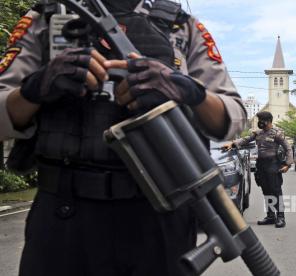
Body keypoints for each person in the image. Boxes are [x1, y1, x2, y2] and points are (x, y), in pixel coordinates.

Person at [0, 0, 246, 275]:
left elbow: (233, 118)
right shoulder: (46, 18)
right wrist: (36, 88)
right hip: (64, 214)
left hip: (159, 216)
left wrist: (188, 91)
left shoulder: (182, 26)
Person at [223, 111, 293, 228]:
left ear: (269, 121)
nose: (259, 122)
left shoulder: (277, 133)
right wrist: (232, 143)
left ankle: (281, 217)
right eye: (259, 120)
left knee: (275, 191)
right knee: (265, 190)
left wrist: (287, 164)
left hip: (273, 164)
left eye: (261, 120)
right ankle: (271, 216)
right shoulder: (258, 133)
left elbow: (288, 148)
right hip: (261, 165)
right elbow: (245, 140)